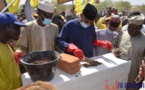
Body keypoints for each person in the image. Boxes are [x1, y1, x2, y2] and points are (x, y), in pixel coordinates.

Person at [113, 13, 145, 90]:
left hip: (134, 77)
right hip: (118, 73)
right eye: (130, 27)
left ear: (140, 27)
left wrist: (142, 73)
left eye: (135, 29)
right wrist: (114, 50)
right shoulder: (122, 34)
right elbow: (113, 45)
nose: (131, 30)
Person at [0, 13, 26, 89]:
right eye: (16, 28)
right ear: (4, 27)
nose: (19, 31)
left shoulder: (5, 43)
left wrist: (15, 56)